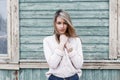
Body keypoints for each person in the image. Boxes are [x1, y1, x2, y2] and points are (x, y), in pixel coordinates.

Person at [43, 9, 83, 80]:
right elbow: (53, 64)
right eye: (59, 23)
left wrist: (68, 45)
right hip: (54, 78)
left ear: (68, 24)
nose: (62, 26)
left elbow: (78, 65)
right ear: (55, 24)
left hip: (73, 78)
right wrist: (61, 44)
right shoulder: (47, 41)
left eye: (65, 23)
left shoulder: (76, 40)